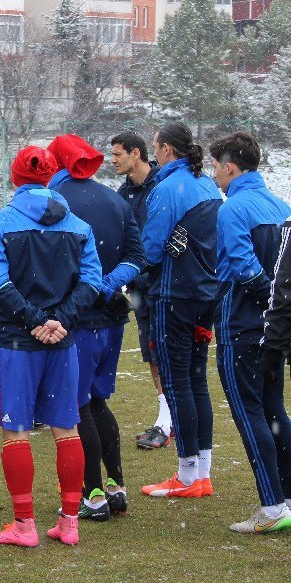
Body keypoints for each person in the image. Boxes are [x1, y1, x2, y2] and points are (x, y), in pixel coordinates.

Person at [0, 146, 101, 547]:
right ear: (51, 178)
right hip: (61, 339)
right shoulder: (79, 226)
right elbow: (92, 282)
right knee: (66, 427)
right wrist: (61, 319)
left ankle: (24, 525)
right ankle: (70, 522)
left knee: (16, 431)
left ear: (15, 178)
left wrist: (37, 320)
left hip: (18, 341)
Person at [48, 134, 145, 521]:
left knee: (77, 404)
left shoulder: (54, 202)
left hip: (76, 318)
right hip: (111, 317)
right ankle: (115, 485)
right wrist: (107, 283)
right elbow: (138, 256)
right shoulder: (114, 199)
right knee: (98, 401)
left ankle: (91, 494)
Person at [210, 132, 291, 532]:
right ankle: (286, 497)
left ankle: (272, 506)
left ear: (230, 167)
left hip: (241, 324)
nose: (214, 175)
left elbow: (244, 267)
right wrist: (279, 311)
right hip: (273, 330)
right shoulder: (280, 205)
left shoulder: (232, 209)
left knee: (249, 412)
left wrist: (268, 301)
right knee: (275, 409)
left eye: (216, 167)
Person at [140, 122, 222, 499]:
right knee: (197, 380)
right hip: (205, 295)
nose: (154, 153)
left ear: (168, 149)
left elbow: (152, 248)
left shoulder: (167, 188)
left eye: (156, 146)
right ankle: (201, 472)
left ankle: (186, 475)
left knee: (177, 383)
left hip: (174, 295)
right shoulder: (206, 183)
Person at [111, 131, 172, 450]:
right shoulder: (123, 195)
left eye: (118, 154)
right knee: (152, 353)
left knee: (171, 353)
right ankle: (166, 418)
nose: (113, 160)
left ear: (136, 154)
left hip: (169, 287)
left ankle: (173, 420)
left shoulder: (165, 185)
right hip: (140, 288)